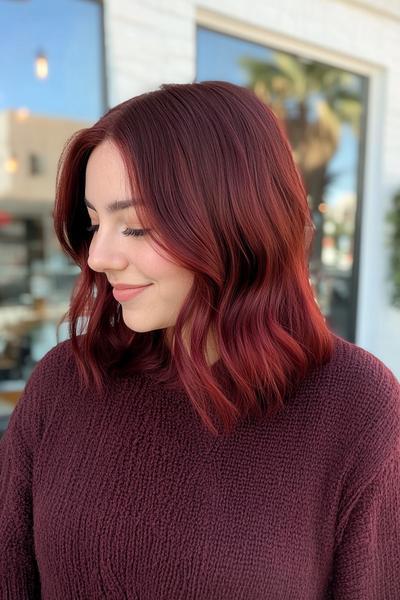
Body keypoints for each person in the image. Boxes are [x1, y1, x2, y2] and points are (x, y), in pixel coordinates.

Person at [0, 80, 399, 599]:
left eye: (136, 226)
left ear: (237, 219)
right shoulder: (67, 381)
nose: (98, 257)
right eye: (95, 223)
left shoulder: (354, 404)